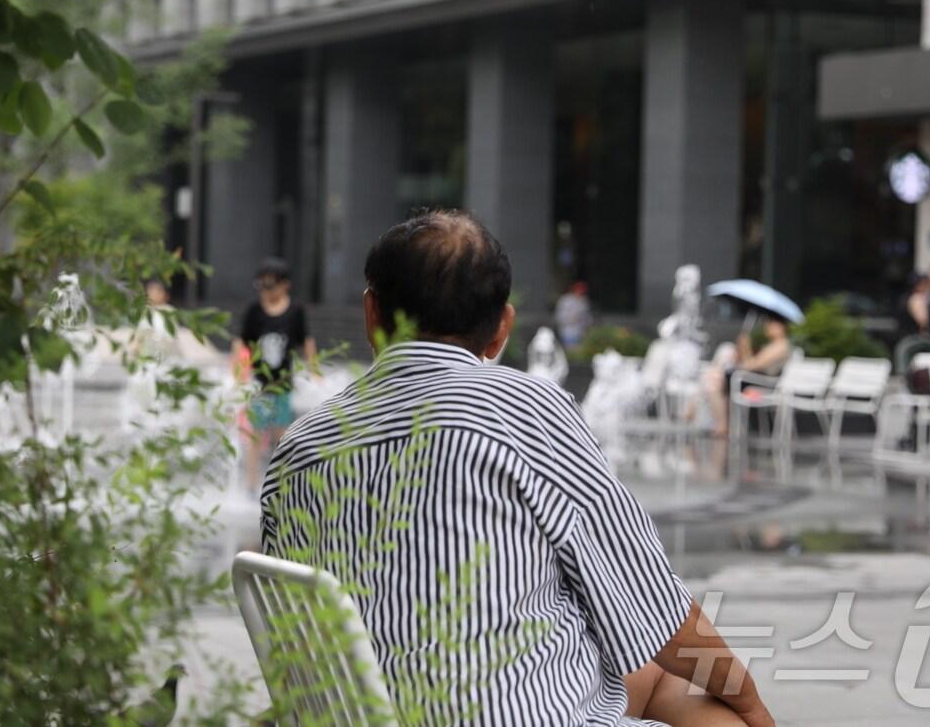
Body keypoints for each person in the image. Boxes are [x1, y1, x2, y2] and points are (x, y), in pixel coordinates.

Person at [261, 211, 773, 727]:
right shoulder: (525, 409)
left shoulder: (299, 446)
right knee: (695, 690)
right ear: (501, 328)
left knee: (645, 675)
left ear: (371, 314)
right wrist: (752, 706)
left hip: (359, 716)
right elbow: (652, 608)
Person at [234, 258, 316, 495]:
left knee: (283, 434)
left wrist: (315, 370)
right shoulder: (254, 311)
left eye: (270, 286)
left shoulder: (295, 311)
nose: (265, 292)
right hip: (259, 385)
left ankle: (282, 486)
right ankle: (250, 484)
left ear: (284, 286)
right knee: (255, 435)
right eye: (261, 286)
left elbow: (307, 341)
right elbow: (242, 343)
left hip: (283, 385)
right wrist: (238, 373)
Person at [698, 316, 793, 437]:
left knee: (715, 381)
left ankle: (721, 425)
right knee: (713, 381)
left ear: (781, 328)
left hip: (762, 384)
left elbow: (753, 365)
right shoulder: (772, 346)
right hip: (753, 379)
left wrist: (746, 347)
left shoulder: (780, 346)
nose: (767, 327)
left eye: (771, 324)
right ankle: (719, 423)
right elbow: (748, 364)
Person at [554, 280, 593, 349]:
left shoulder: (584, 301)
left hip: (581, 332)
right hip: (568, 332)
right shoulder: (566, 300)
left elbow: (587, 318)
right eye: (579, 290)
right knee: (570, 351)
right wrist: (572, 318)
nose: (580, 293)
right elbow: (560, 317)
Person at [899, 271, 930, 337]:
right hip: (915, 337)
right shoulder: (916, 298)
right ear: (917, 286)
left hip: (905, 336)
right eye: (924, 283)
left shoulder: (905, 297)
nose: (927, 287)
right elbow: (923, 321)